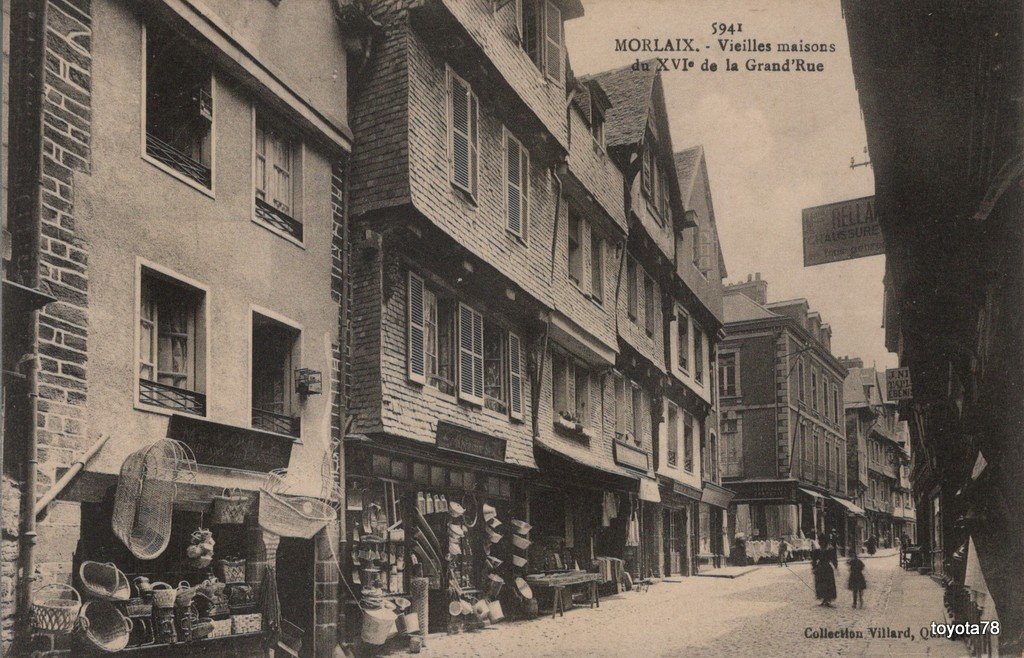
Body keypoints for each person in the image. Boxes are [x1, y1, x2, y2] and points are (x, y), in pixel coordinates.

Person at [812, 539, 839, 607]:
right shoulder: (817, 551)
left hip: (827, 569)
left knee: (828, 584)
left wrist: (836, 566)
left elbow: (833, 559)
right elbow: (814, 560)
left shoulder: (829, 551)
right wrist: (814, 567)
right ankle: (824, 599)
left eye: (823, 543)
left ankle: (828, 599)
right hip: (820, 569)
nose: (822, 545)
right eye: (821, 543)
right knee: (820, 584)